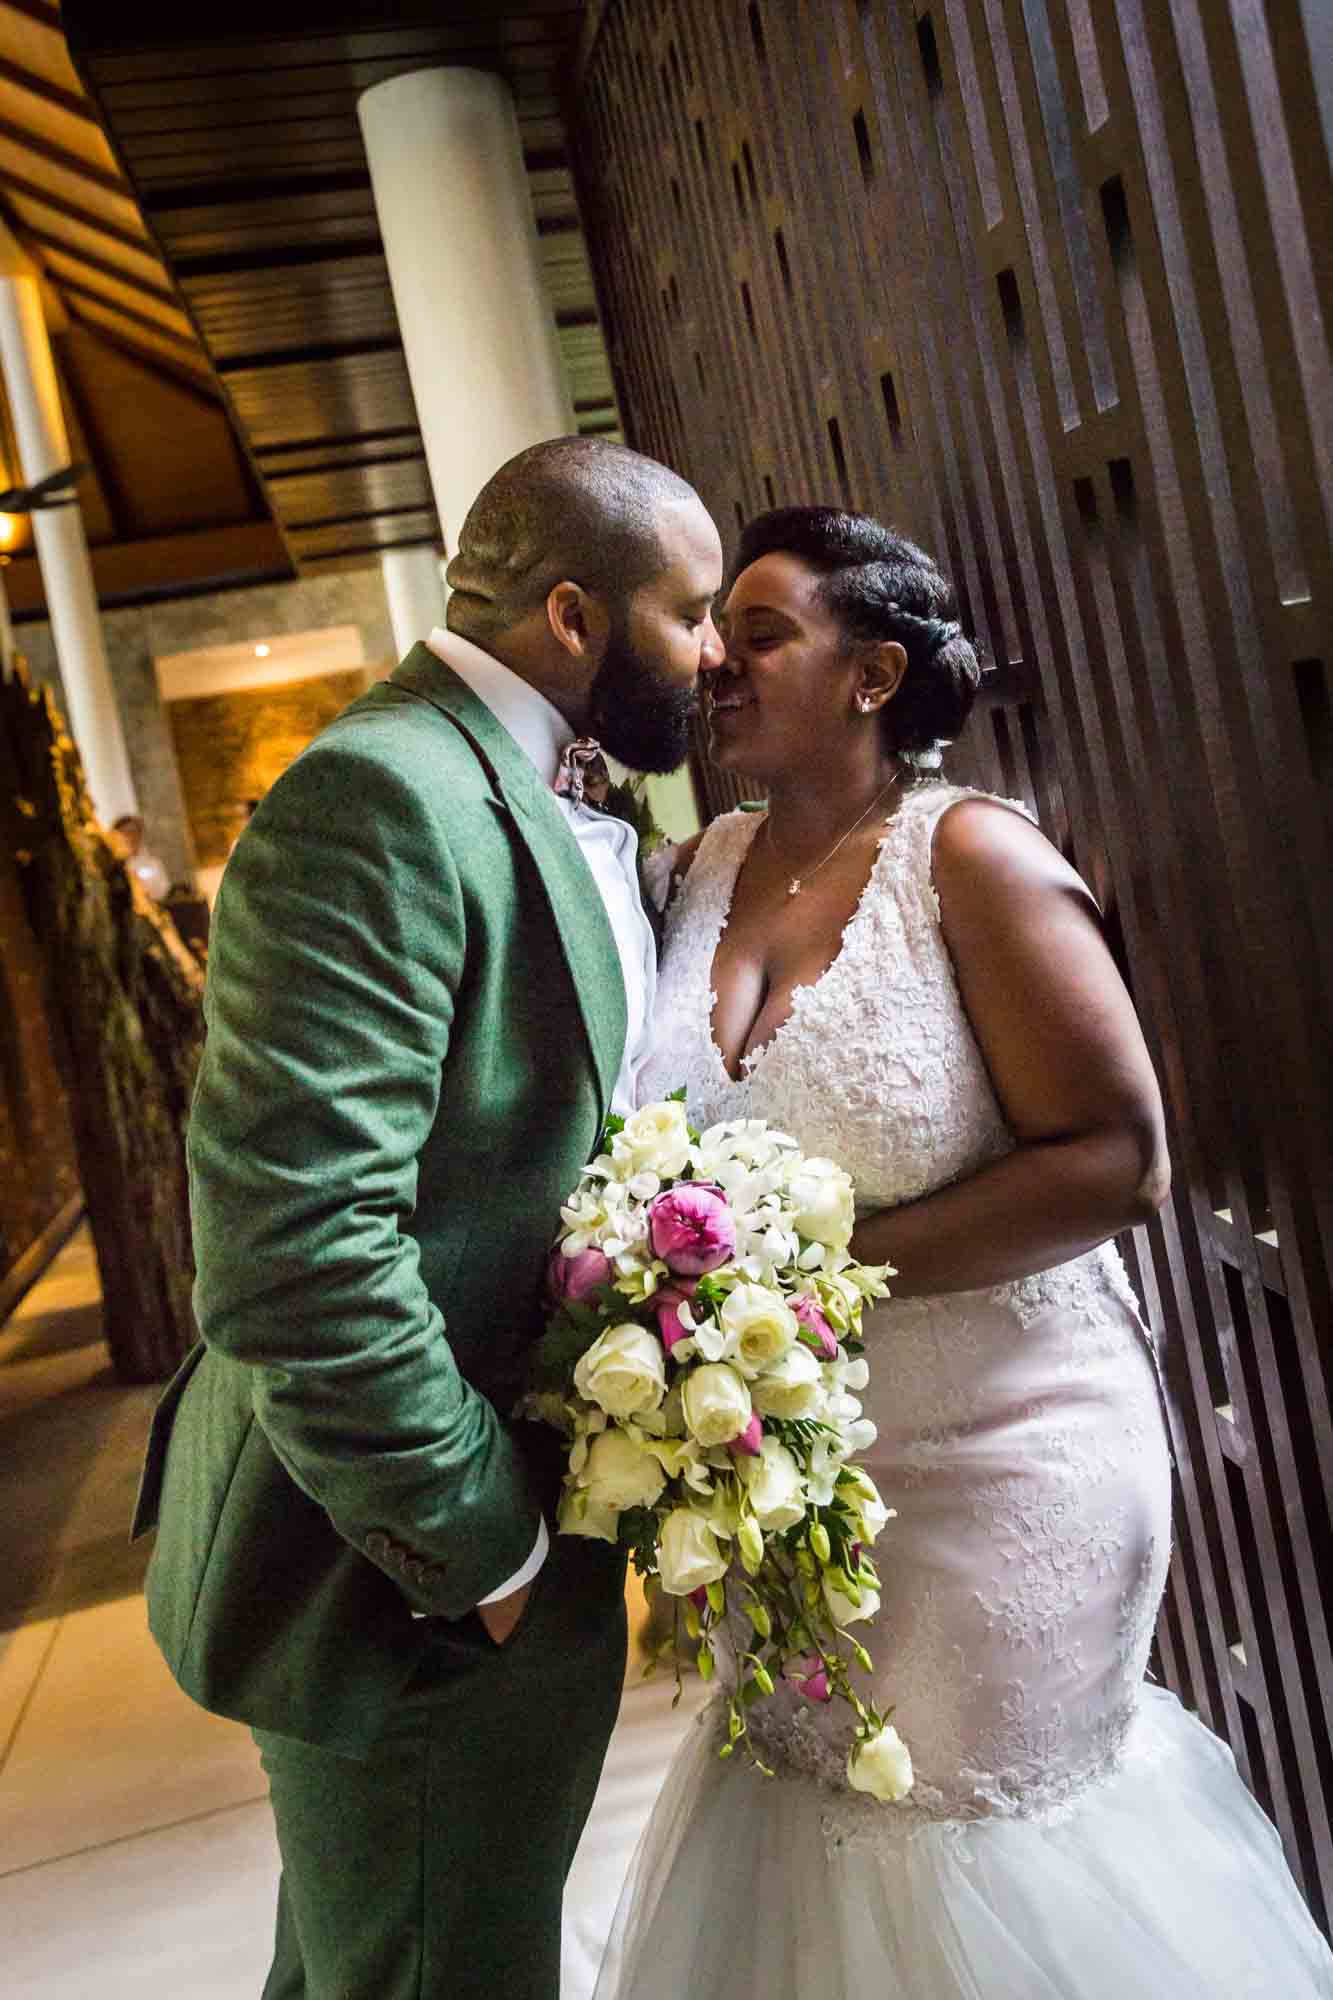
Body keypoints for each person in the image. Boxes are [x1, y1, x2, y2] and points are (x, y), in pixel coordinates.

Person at [598, 507, 1333, 1996]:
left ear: (872, 675)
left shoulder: (972, 859)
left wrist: (812, 1284)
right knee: (817, 1821)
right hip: (799, 1481)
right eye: (713, 635)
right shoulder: (685, 877)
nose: (715, 664)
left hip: (1008, 1460)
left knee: (969, 1847)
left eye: (758, 633)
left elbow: (1118, 1157)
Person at [131, 436, 724, 2000]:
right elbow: (296, 1257)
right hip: (406, 1579)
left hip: (490, 1556)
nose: (716, 653)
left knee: (368, 1963)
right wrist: (487, 1557)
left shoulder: (523, 786)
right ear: (578, 617)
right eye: (696, 611)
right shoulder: (376, 797)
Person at [111, 812, 170, 900]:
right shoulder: (112, 866)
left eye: (133, 832)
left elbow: (163, 891)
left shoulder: (153, 863)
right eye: (125, 833)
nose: (131, 837)